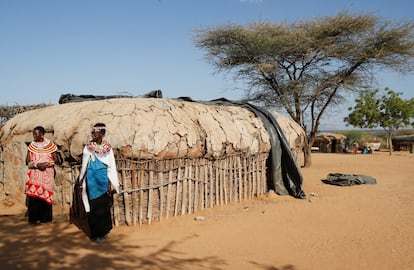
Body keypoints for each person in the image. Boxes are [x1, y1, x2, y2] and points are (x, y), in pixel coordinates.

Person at [79, 123, 120, 243]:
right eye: (93, 133)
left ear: (102, 134)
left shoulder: (107, 148)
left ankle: (105, 230)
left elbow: (111, 166)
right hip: (92, 180)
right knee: (94, 207)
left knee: (104, 207)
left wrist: (110, 183)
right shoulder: (88, 147)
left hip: (103, 179)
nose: (93, 135)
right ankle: (96, 234)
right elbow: (84, 164)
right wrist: (81, 179)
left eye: (96, 133)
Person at [25, 126, 59, 224]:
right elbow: (27, 162)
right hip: (34, 175)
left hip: (47, 175)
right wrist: (37, 165)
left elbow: (56, 160)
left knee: (45, 195)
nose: (35, 136)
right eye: (34, 134)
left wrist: (46, 164)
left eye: (37, 133)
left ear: (42, 134)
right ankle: (34, 219)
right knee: (34, 197)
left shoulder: (50, 145)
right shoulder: (32, 146)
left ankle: (46, 218)